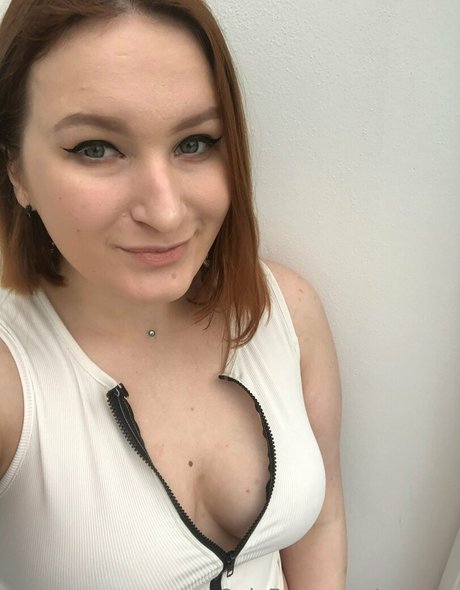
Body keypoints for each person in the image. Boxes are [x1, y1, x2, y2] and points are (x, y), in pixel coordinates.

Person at [0, 1, 347, 588]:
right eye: (95, 148)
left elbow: (322, 519)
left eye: (194, 142)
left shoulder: (285, 309)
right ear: (16, 172)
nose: (164, 213)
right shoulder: (13, 382)